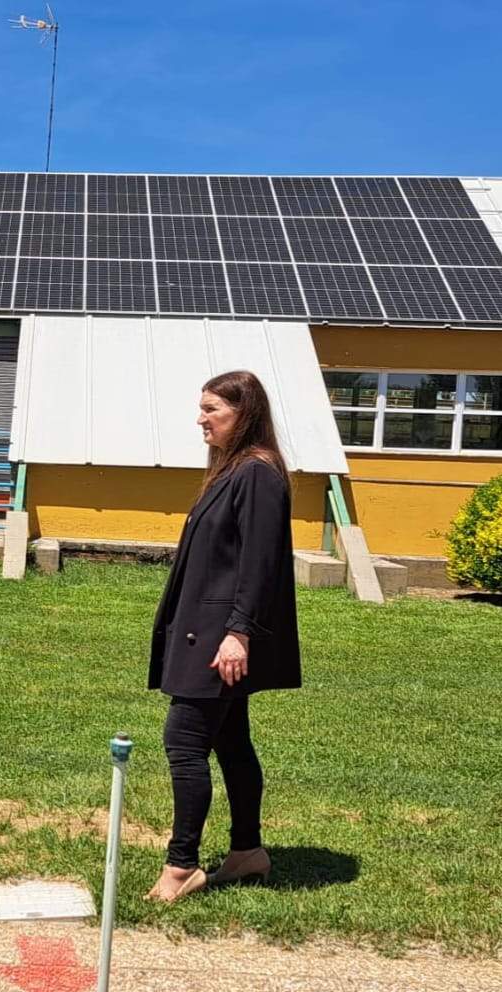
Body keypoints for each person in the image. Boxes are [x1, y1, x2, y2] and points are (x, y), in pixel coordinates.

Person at [146, 369, 300, 902]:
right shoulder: (233, 471)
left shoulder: (257, 474)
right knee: (231, 740)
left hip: (218, 638)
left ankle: (182, 864)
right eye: (202, 408)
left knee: (184, 741)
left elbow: (260, 565)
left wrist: (239, 634)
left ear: (244, 413)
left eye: (213, 409)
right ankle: (247, 851)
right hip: (205, 631)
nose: (201, 419)